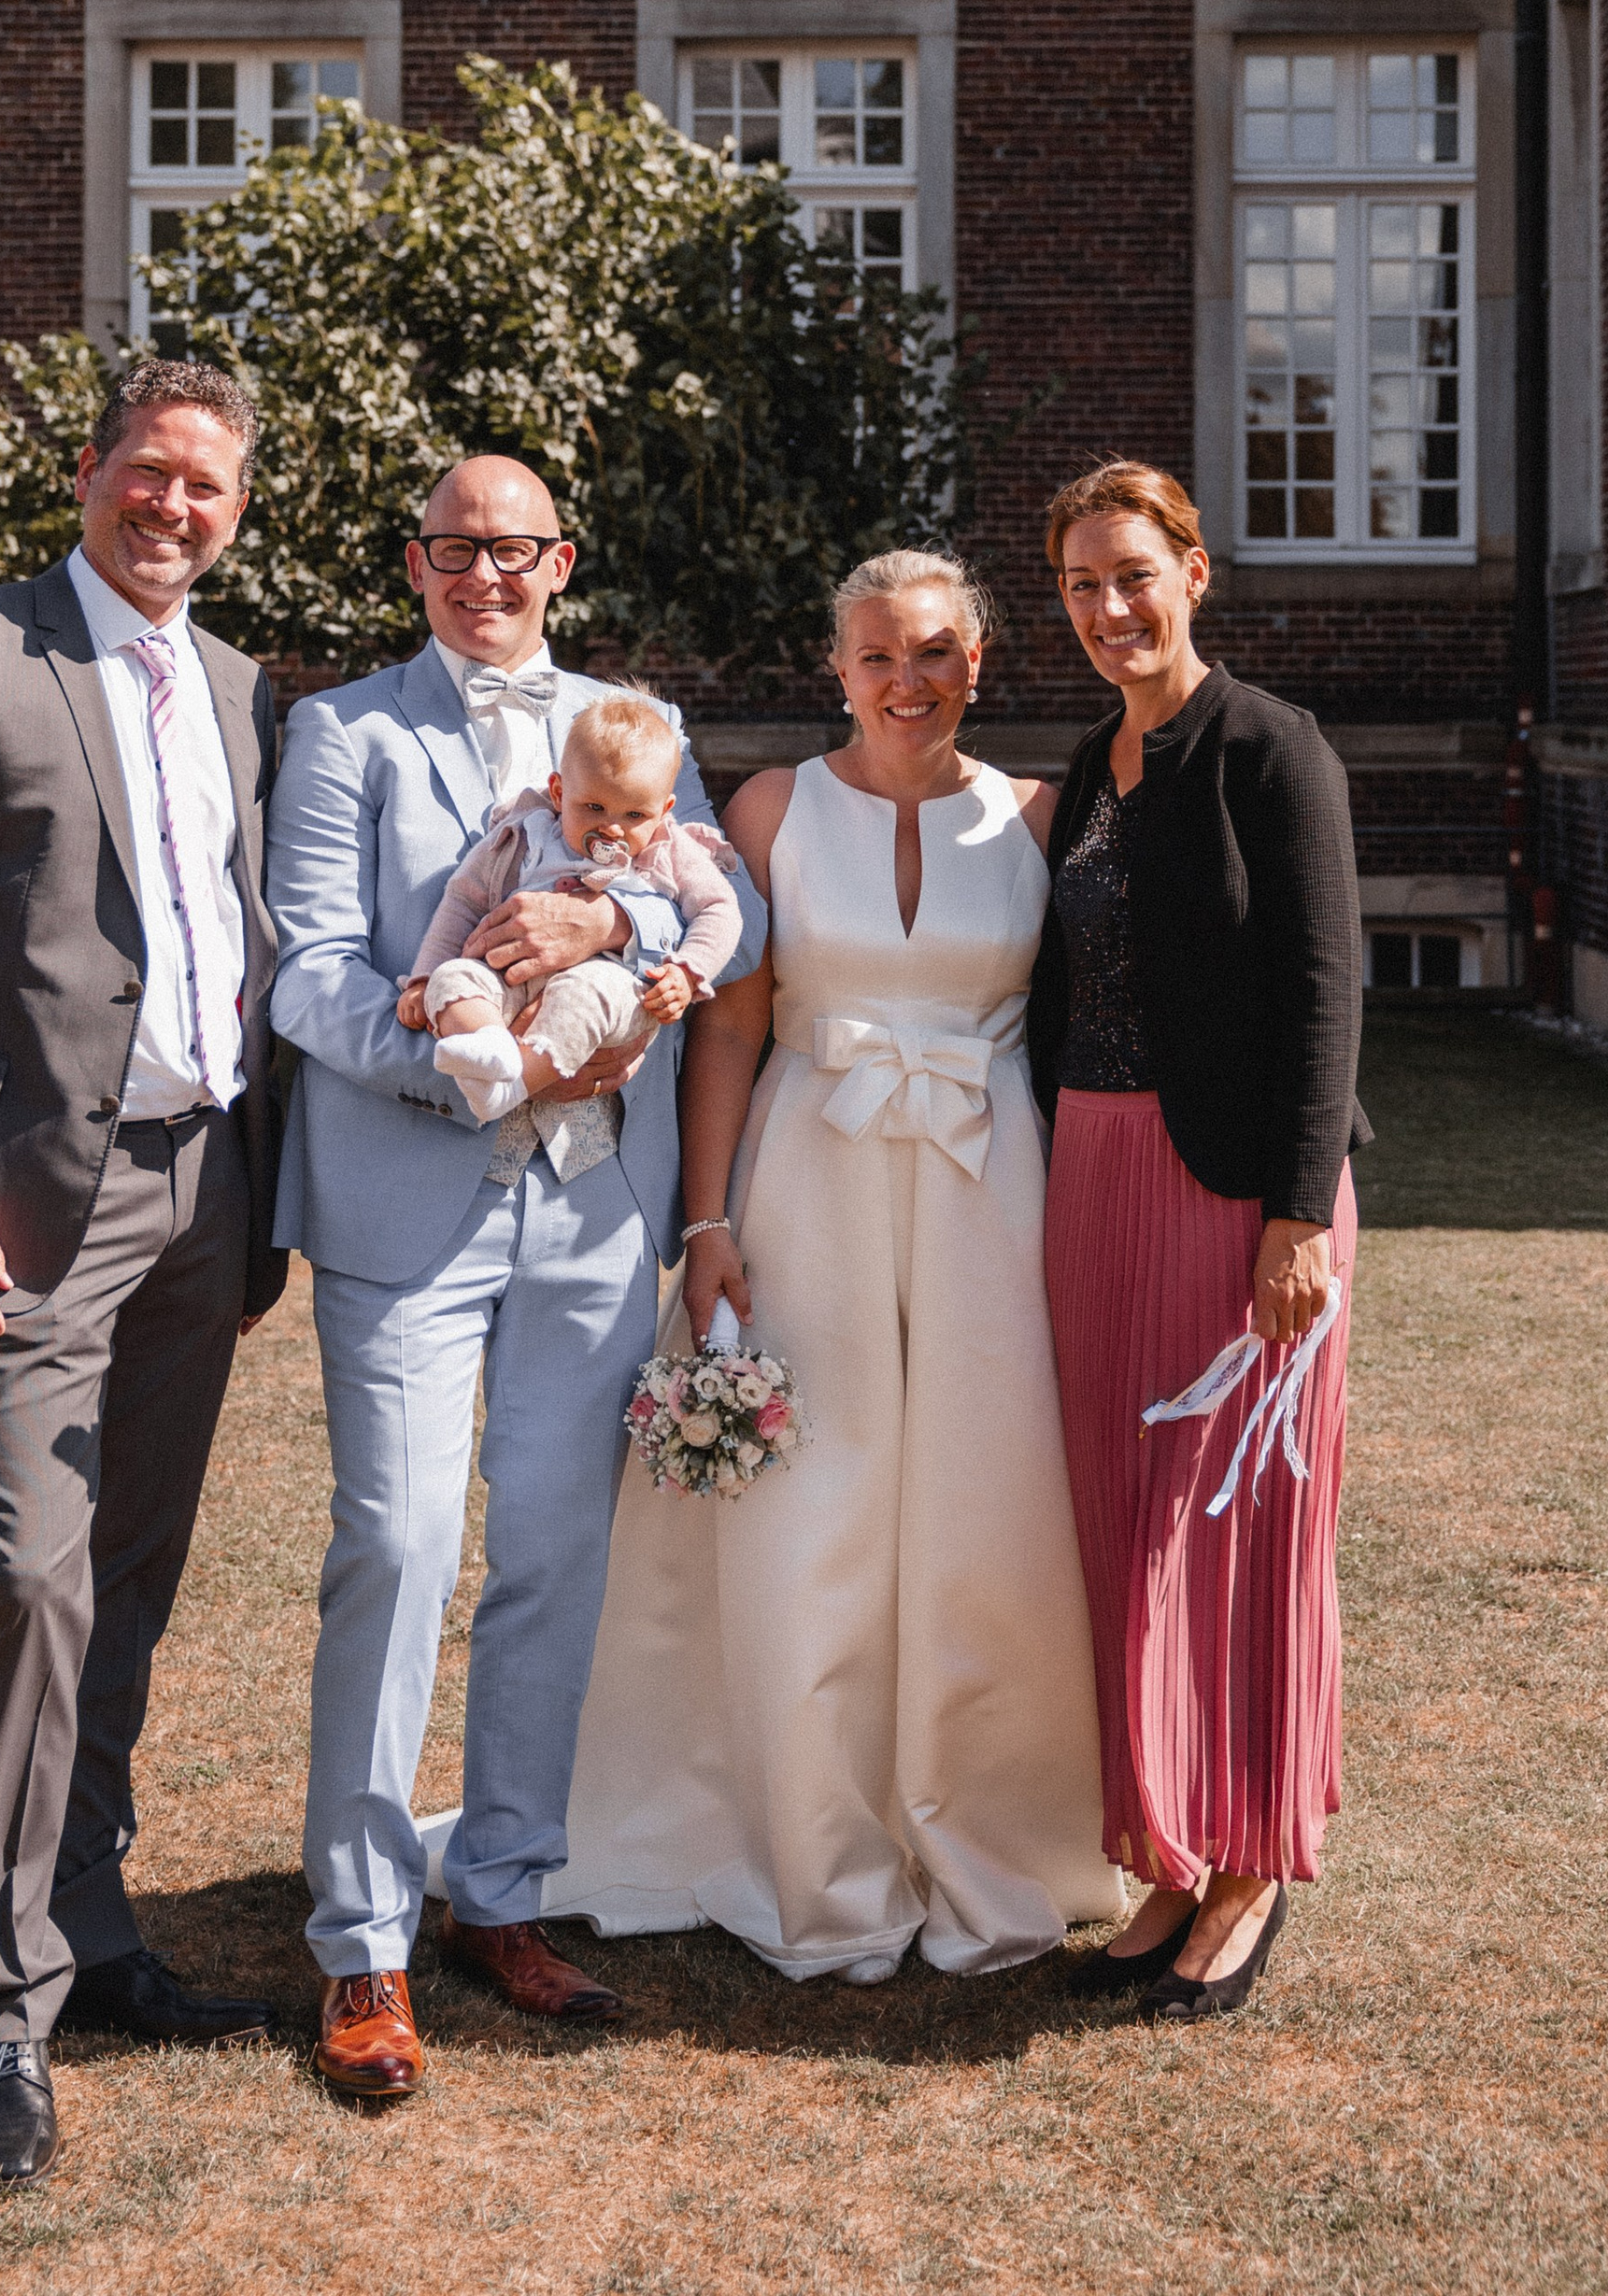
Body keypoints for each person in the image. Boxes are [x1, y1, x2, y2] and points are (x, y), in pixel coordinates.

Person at [544, 548, 1120, 1981]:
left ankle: (995, 1818)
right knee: (820, 1505)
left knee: (988, 1503)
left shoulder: (1043, 816)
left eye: (934, 652)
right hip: (810, 1178)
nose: (906, 680)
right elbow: (730, 1029)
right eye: (877, 656)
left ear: (977, 663)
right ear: (837, 669)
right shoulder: (769, 808)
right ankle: (810, 1831)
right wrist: (707, 1222)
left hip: (993, 1194)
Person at [264, 458, 764, 2098]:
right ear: (416, 564)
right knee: (398, 1547)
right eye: (455, 549)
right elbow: (313, 972)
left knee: (554, 1554)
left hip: (593, 1218)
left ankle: (503, 1891)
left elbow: (725, 904)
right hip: (414, 1185)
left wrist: (619, 951)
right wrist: (465, 1052)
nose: (487, 573)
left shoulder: (633, 718)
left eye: (517, 548)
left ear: (564, 557)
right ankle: (360, 1945)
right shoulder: (345, 732)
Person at [0, 356, 285, 2186]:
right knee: (24, 1579)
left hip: (207, 1194)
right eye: (149, 473)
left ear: (235, 510)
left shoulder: (244, 689)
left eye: (208, 488)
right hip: (25, 1200)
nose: (172, 508)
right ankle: (1, 2015)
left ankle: (88, 1928)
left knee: (131, 1575)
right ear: (90, 470)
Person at [1030, 458, 1366, 2023]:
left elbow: (1325, 990)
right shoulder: (1093, 765)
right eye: (1084, 585)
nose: (1111, 608)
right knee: (1125, 1519)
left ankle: (1248, 1870)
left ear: (1194, 573)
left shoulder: (1269, 750)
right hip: (1093, 1175)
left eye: (1133, 575)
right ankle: (1166, 1851)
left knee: (1236, 1527)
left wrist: (1299, 1212)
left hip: (1238, 1195)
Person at [399, 683, 744, 1120]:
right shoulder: (526, 833)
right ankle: (488, 1052)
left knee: (582, 995)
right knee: (453, 980)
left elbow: (721, 909)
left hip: (612, 984)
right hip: (510, 977)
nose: (613, 829)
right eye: (594, 807)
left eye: (634, 815)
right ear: (559, 793)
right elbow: (462, 902)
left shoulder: (669, 847)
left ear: (664, 809)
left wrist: (688, 970)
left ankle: (515, 1085)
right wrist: (423, 977)